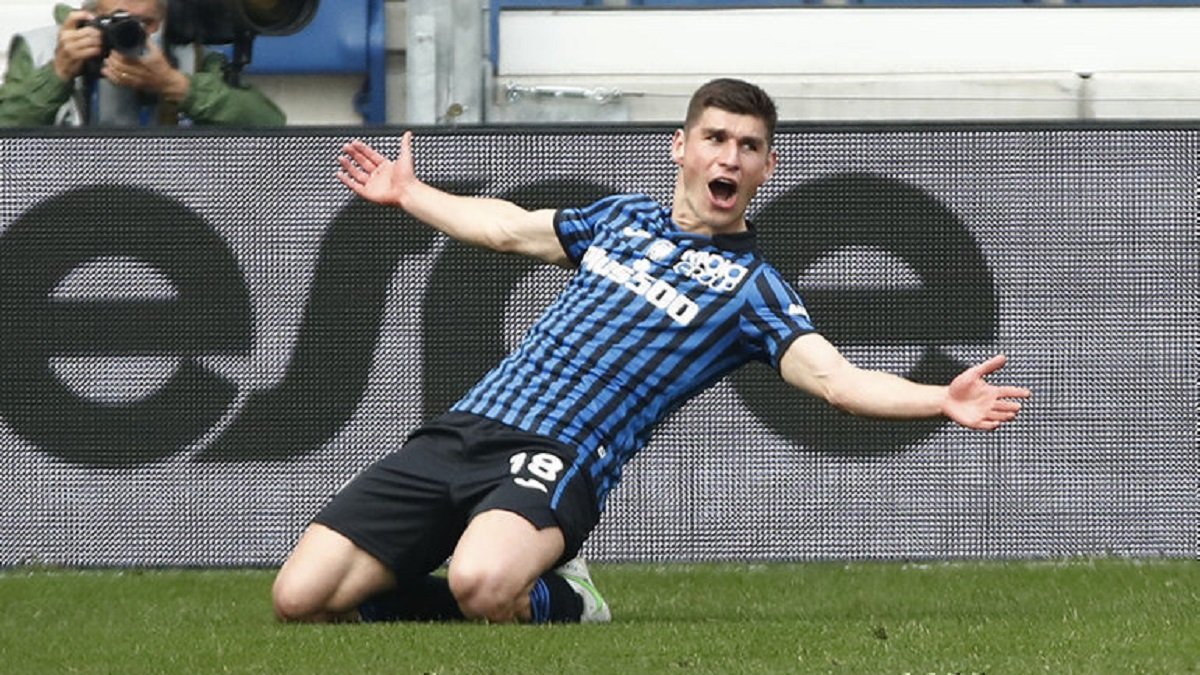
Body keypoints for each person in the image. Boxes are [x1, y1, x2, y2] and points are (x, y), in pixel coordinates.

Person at [271, 78, 1032, 625]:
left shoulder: (754, 291)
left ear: (767, 168)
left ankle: (568, 596)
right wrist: (411, 194)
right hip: (466, 426)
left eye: (748, 146)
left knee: (481, 583)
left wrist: (940, 397)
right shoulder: (622, 218)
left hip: (560, 453)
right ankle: (425, 586)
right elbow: (507, 228)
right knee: (300, 598)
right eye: (716, 139)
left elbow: (835, 379)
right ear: (681, 147)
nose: (729, 157)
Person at [0, 0, 285, 127]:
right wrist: (59, 72)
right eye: (116, 21)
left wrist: (175, 84)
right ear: (88, 16)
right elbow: (7, 127)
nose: (131, 32)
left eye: (146, 23)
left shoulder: (186, 54)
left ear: (166, 21)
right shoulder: (42, 48)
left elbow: (268, 125)